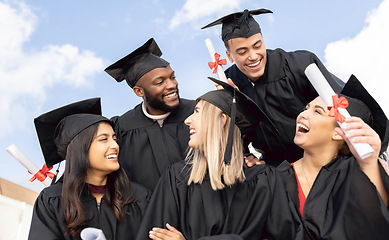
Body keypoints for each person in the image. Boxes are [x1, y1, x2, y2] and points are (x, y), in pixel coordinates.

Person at [136, 79, 296, 240]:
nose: (187, 120)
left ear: (221, 120)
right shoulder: (177, 177)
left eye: (197, 112)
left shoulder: (264, 179)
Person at [202, 9, 345, 165]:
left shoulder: (299, 65)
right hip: (275, 170)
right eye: (242, 52)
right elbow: (235, 139)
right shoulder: (230, 83)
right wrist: (231, 106)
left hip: (324, 162)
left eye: (257, 46)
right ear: (229, 56)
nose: (254, 56)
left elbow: (343, 106)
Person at [276, 76, 389, 239]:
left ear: (339, 133)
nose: (303, 114)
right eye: (306, 108)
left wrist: (370, 164)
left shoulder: (355, 177)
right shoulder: (273, 179)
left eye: (317, 111)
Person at [28, 98, 150, 240]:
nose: (115, 146)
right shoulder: (52, 200)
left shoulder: (139, 198)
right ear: (81, 149)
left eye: (114, 139)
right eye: (104, 139)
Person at [105, 38, 196, 191]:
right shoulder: (122, 128)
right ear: (139, 91)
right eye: (160, 82)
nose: (172, 85)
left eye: (172, 77)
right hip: (152, 213)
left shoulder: (198, 111)